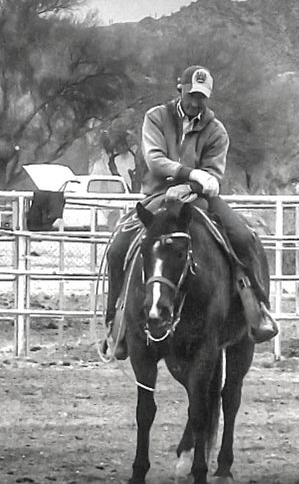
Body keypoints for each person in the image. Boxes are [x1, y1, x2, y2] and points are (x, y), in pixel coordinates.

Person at [102, 64, 279, 359]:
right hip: (158, 194)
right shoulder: (156, 118)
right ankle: (116, 325)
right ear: (179, 90)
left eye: (202, 97)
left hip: (199, 198)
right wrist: (189, 173)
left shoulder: (216, 130)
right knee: (118, 247)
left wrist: (193, 185)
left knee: (243, 237)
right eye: (192, 95)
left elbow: (213, 175)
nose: (196, 102)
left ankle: (257, 308)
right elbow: (155, 159)